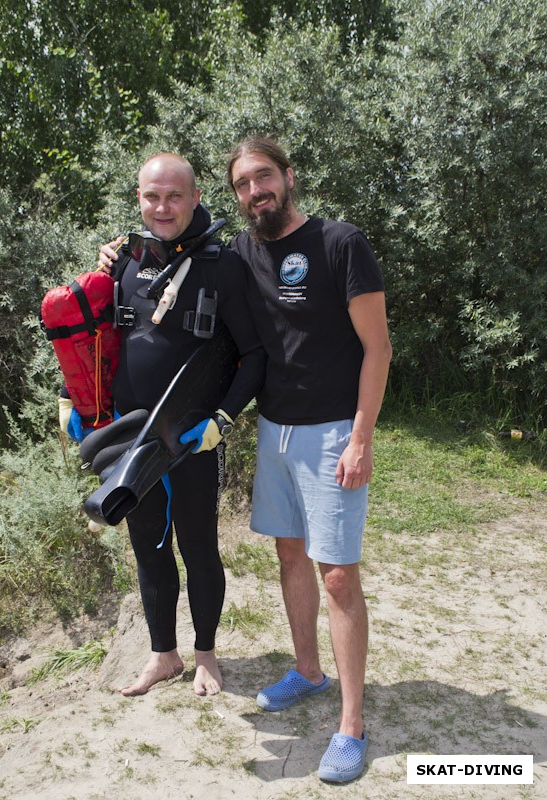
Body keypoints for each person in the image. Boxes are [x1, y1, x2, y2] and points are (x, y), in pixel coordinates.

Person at [226, 136, 392, 782]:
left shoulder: (340, 244)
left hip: (332, 434)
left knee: (339, 576)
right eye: (242, 184)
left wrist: (361, 438)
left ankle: (351, 725)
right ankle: (308, 670)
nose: (254, 192)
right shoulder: (243, 250)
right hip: (275, 430)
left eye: (263, 177)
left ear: (289, 177)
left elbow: (377, 349)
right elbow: (181, 255)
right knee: (289, 553)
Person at [79, 152, 265, 697]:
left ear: (195, 198)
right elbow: (97, 344)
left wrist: (224, 420)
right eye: (151, 196)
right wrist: (76, 397)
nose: (163, 207)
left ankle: (205, 653)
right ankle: (164, 655)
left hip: (190, 437)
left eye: (174, 196)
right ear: (138, 198)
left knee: (199, 549)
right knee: (148, 549)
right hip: (132, 441)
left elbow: (253, 355)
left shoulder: (223, 266)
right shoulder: (124, 263)